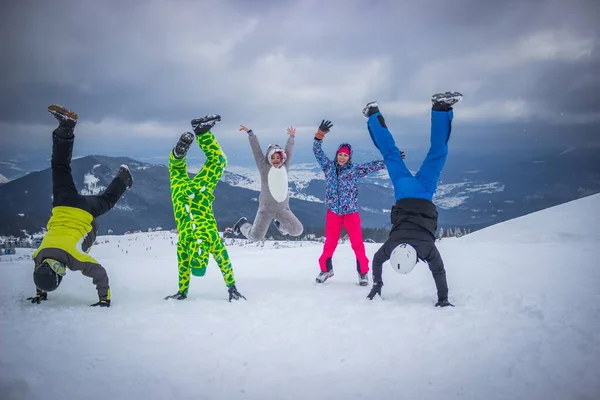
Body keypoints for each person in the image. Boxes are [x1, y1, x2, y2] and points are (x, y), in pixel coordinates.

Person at [363, 92, 463, 307]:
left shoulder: (426, 248)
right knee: (391, 154)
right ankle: (372, 113)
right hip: (403, 191)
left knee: (438, 152)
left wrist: (443, 299)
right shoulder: (391, 246)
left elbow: (439, 272)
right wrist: (377, 283)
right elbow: (378, 261)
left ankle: (441, 108)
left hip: (425, 192)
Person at [28, 105, 133, 307]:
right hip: (63, 203)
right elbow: (39, 270)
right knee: (60, 167)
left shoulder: (74, 258)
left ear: (59, 272)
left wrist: (104, 299)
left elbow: (100, 274)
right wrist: (40, 291)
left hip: (86, 211)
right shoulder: (39, 255)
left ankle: (123, 179)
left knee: (107, 201)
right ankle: (66, 128)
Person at [164, 114, 245, 302]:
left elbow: (225, 263)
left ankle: (202, 132)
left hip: (197, 195)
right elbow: (183, 267)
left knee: (218, 161)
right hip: (180, 197)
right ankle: (178, 154)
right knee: (176, 170)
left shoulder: (211, 240)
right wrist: (182, 291)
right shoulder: (184, 242)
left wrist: (232, 287)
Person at [312, 119, 395, 286]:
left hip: (350, 213)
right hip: (333, 213)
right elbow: (317, 151)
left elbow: (374, 165)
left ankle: (363, 273)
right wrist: (319, 135)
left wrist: (393, 158)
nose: (342, 157)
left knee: (357, 244)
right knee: (329, 244)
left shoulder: (354, 170)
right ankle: (326, 270)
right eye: (340, 154)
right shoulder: (329, 167)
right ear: (337, 155)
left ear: (349, 157)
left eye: (345, 155)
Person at [232, 125, 303, 241]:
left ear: (282, 158)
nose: (276, 160)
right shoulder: (264, 168)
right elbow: (257, 151)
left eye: (278, 157)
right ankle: (242, 225)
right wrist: (250, 134)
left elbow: (289, 151)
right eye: (273, 157)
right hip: (266, 209)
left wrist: (291, 137)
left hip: (283, 208)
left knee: (297, 230)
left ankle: (280, 225)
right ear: (269, 158)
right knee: (255, 237)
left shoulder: (285, 166)